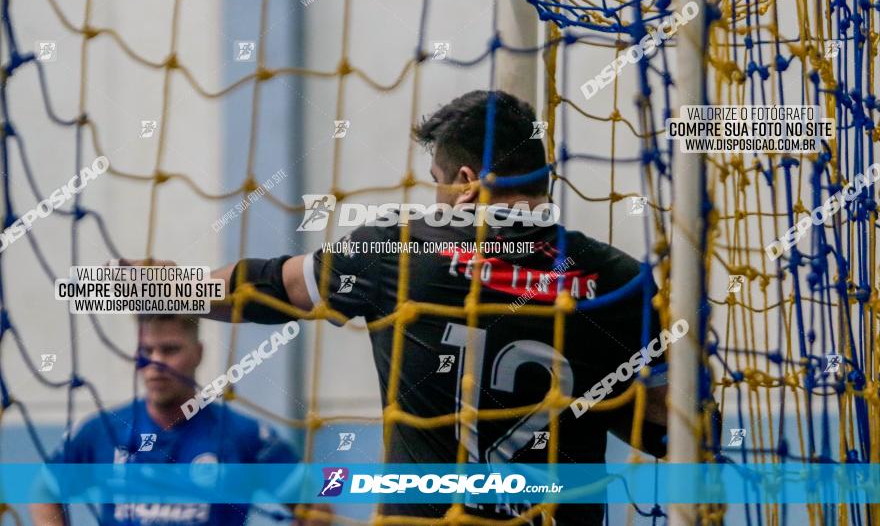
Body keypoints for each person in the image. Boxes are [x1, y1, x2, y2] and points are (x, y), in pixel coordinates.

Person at [123, 90, 669, 525]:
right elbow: (664, 428)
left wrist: (152, 288)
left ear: (465, 184)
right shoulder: (618, 279)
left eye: (435, 183)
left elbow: (270, 287)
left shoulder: (402, 251)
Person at [30, 313, 327, 526]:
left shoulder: (243, 434)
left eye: (169, 350)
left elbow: (316, 506)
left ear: (197, 354)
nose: (156, 364)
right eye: (147, 351)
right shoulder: (102, 431)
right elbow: (44, 491)